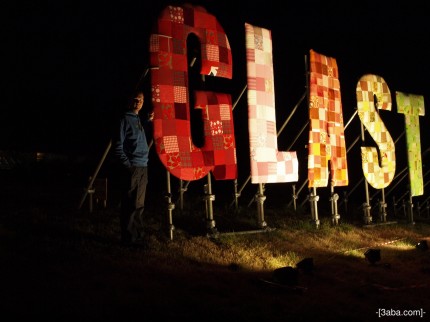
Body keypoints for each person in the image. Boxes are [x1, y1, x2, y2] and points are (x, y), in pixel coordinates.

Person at [113, 90, 154, 246]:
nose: (138, 102)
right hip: (133, 167)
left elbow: (137, 135)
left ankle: (137, 236)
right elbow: (118, 146)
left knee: (139, 205)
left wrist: (148, 120)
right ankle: (129, 239)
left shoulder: (137, 119)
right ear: (129, 101)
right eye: (135, 99)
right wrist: (128, 166)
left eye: (141, 100)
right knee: (130, 204)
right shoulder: (124, 119)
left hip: (143, 166)